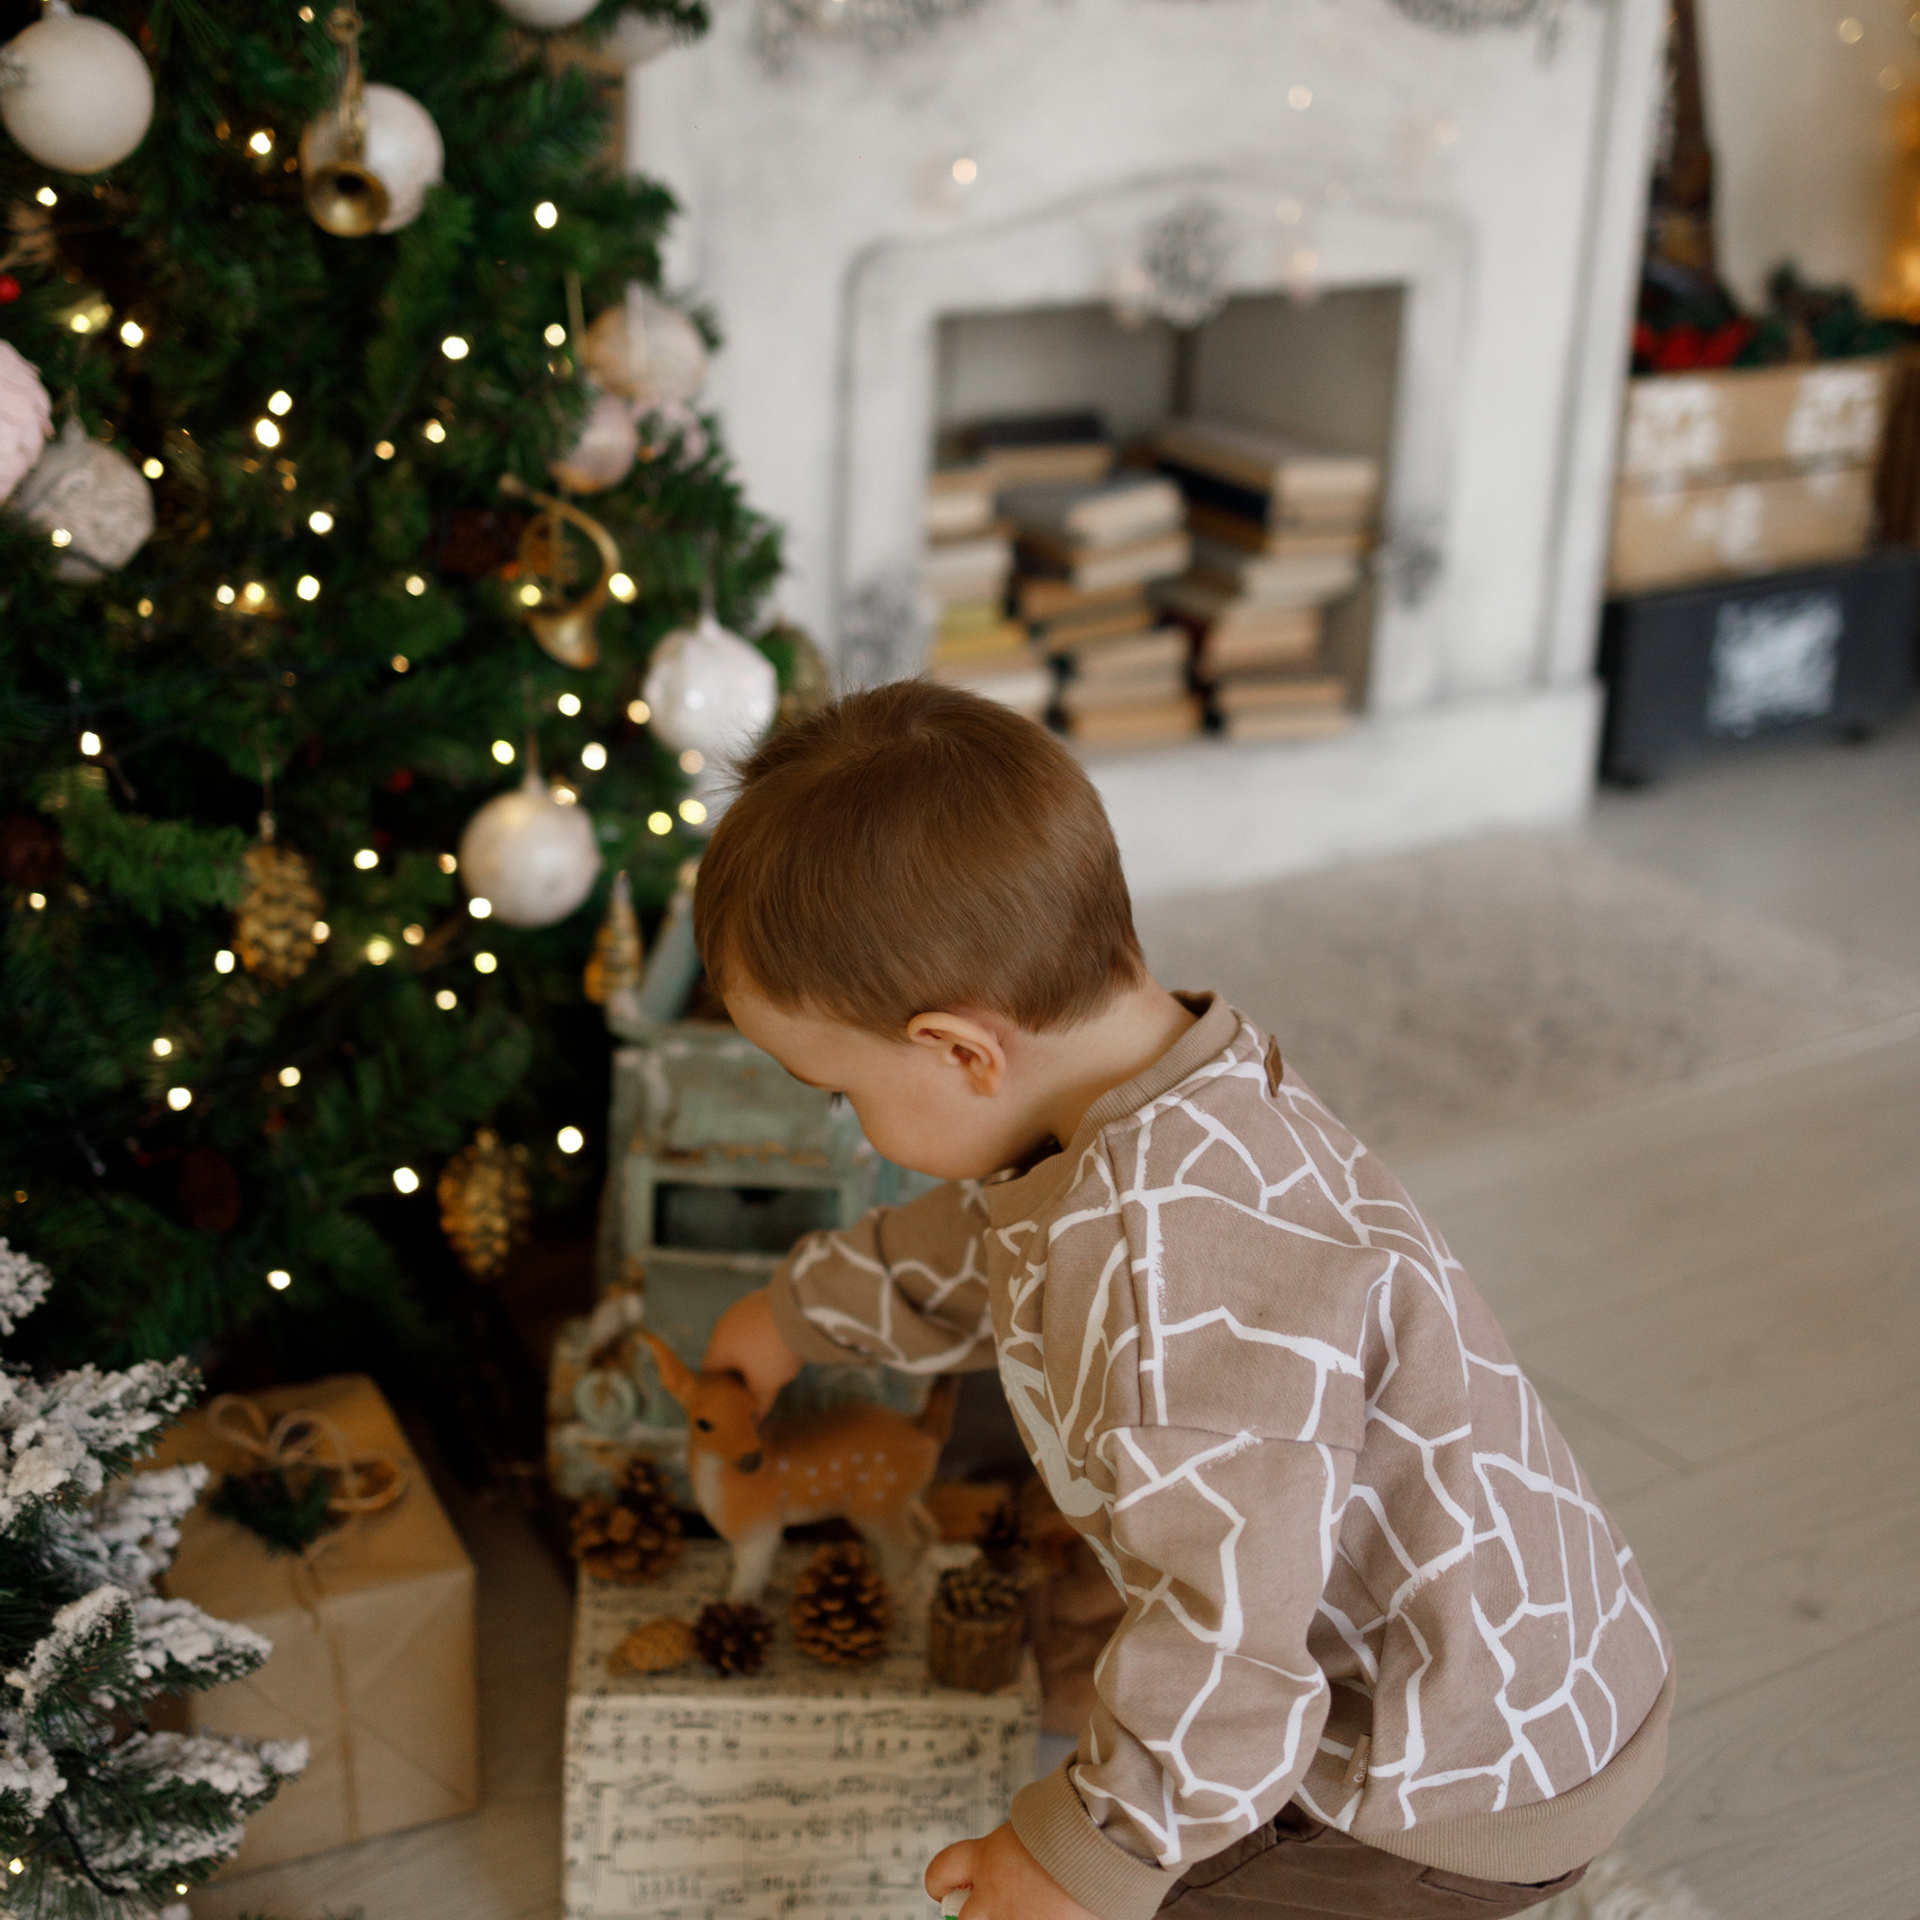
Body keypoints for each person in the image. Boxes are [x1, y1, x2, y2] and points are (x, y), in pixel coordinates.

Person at [695, 680, 1672, 1920]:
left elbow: (1224, 1638)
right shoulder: (1167, 1085)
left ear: (960, 1051)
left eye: (839, 1091)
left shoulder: (1170, 1294)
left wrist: (1083, 1859)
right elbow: (991, 1236)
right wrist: (798, 1313)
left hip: (1437, 1774)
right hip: (1526, 1660)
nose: (847, 1120)